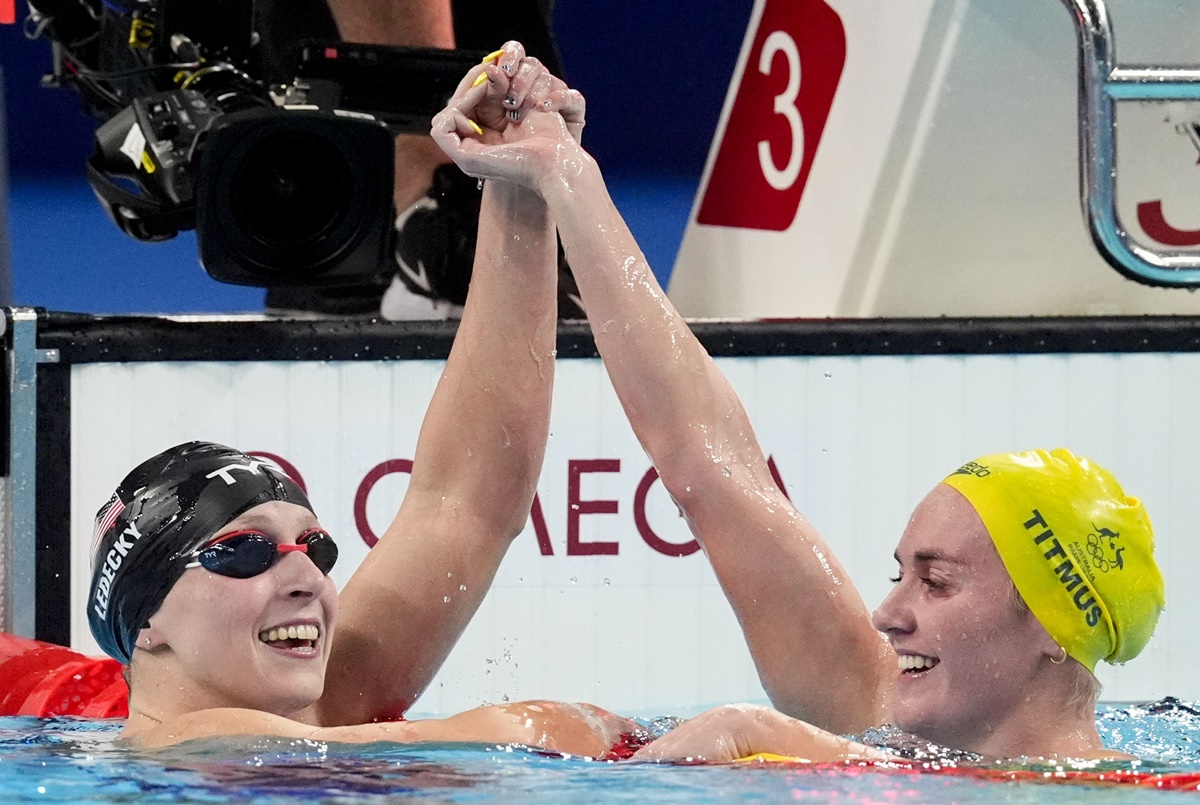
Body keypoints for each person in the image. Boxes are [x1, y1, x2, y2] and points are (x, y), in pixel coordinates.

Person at [429, 54, 1166, 762]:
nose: (888, 613)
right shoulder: (877, 704)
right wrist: (565, 175)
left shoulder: (1151, 787)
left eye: (937, 581)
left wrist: (782, 738)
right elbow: (710, 468)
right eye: (902, 573)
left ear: (1054, 622)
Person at [88, 45, 628, 752]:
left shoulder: (313, 711)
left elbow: (470, 500)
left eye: (317, 547)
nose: (304, 576)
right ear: (146, 618)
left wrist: (519, 182)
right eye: (244, 551)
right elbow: (493, 740)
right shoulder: (182, 747)